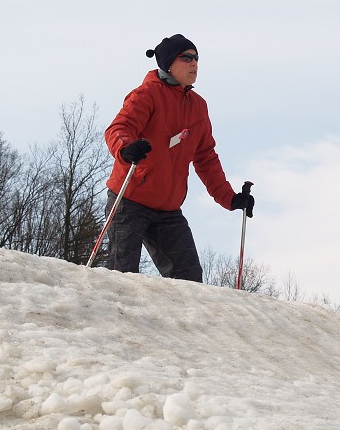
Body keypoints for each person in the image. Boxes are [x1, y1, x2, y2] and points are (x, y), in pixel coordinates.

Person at [103, 34, 254, 281]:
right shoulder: (146, 94)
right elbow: (118, 128)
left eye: (197, 58)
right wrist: (125, 148)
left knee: (189, 279)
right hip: (130, 201)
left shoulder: (198, 106)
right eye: (187, 58)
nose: (194, 63)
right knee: (123, 276)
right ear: (168, 63)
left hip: (168, 210)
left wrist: (230, 198)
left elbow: (205, 157)